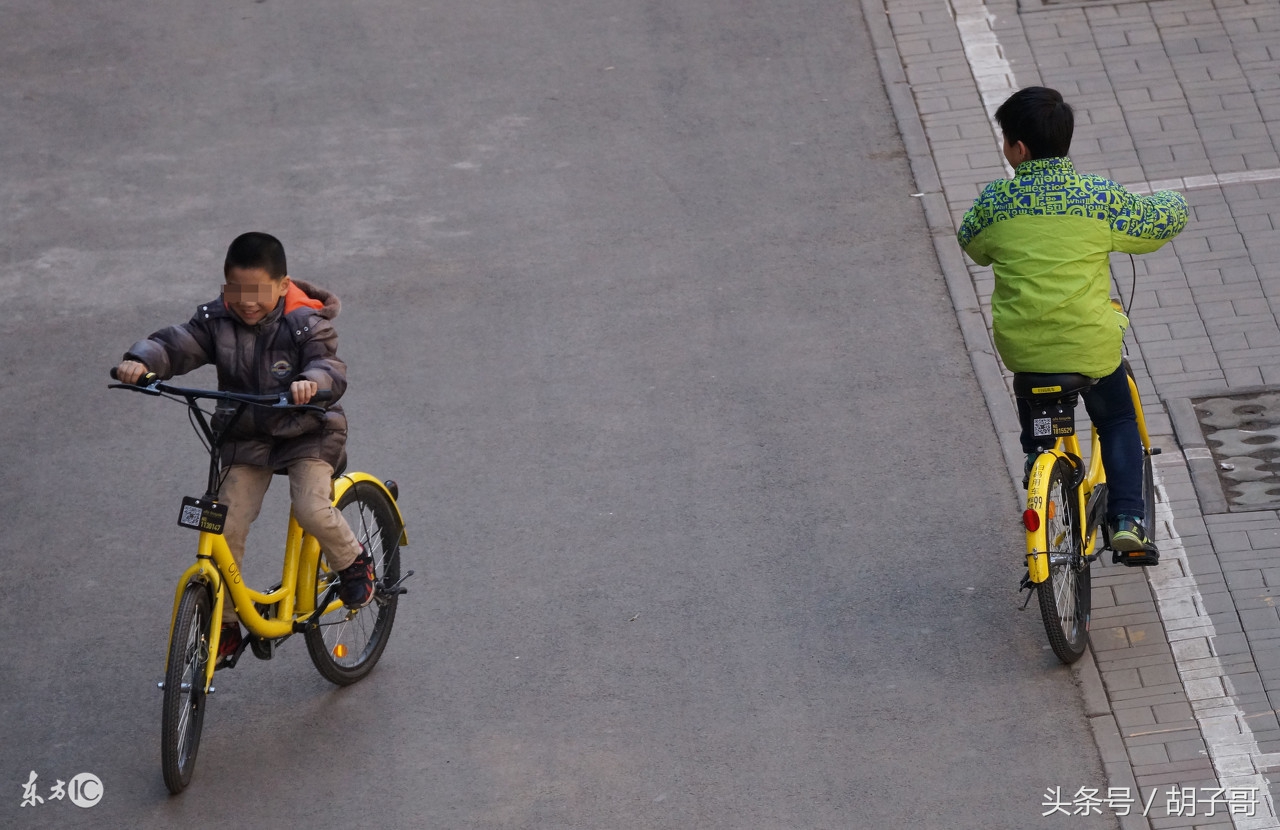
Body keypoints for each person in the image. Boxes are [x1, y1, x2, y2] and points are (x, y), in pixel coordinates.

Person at [116, 232, 374, 659]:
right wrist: (141, 361)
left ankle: (352, 561)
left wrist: (314, 383)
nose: (246, 301)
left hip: (306, 431)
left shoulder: (306, 323)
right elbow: (176, 344)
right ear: (224, 286)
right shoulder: (217, 320)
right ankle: (228, 622)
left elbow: (328, 364)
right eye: (235, 290)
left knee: (311, 507)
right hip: (247, 435)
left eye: (257, 292)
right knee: (223, 525)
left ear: (282, 285)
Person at [957, 86, 1188, 564]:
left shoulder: (997, 203)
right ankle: (1128, 520)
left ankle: (1037, 451)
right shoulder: (1097, 198)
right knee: (1117, 418)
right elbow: (1155, 224)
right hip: (1090, 346)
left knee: (1036, 386)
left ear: (1019, 148)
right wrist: (1175, 200)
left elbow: (971, 243)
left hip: (1023, 349)